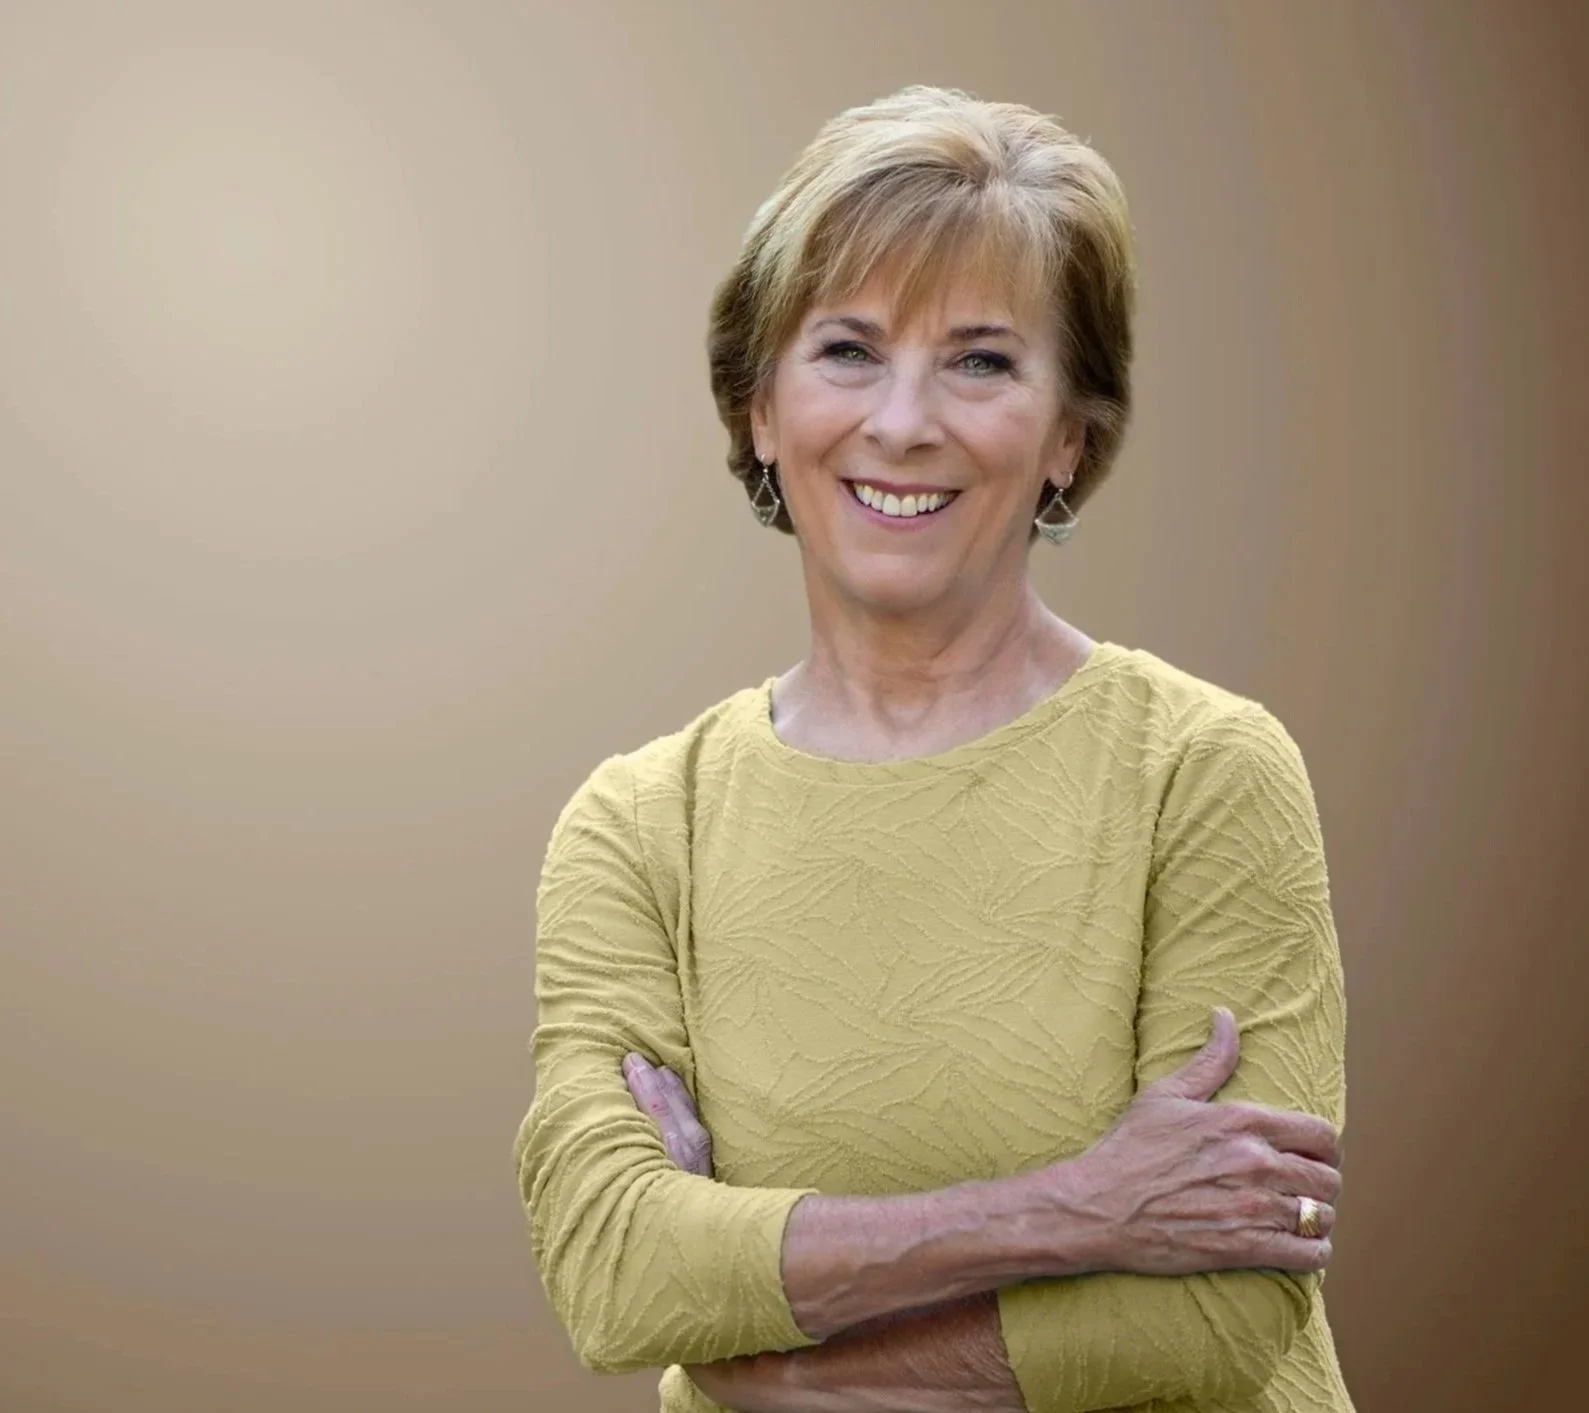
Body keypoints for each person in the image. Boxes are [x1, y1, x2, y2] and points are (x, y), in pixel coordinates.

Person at [513, 84, 1354, 1413]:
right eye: (849, 350)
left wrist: (773, 1367)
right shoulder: (640, 825)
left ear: (1069, 436)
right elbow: (616, 1271)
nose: (904, 422)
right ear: (759, 410)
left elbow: (1221, 1304)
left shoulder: (1200, 773)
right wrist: (1077, 1209)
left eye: (981, 362)